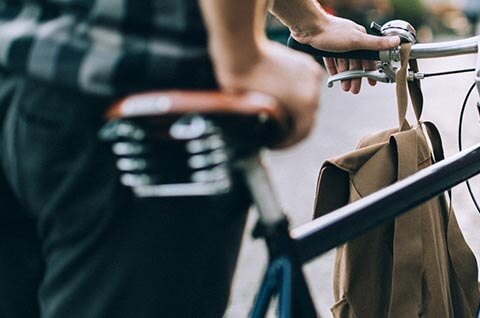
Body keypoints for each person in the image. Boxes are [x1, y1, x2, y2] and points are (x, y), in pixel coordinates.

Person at [0, 0, 399, 317]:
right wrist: (243, 57)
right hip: (144, 96)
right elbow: (239, 64)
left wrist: (308, 22)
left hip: (19, 71)